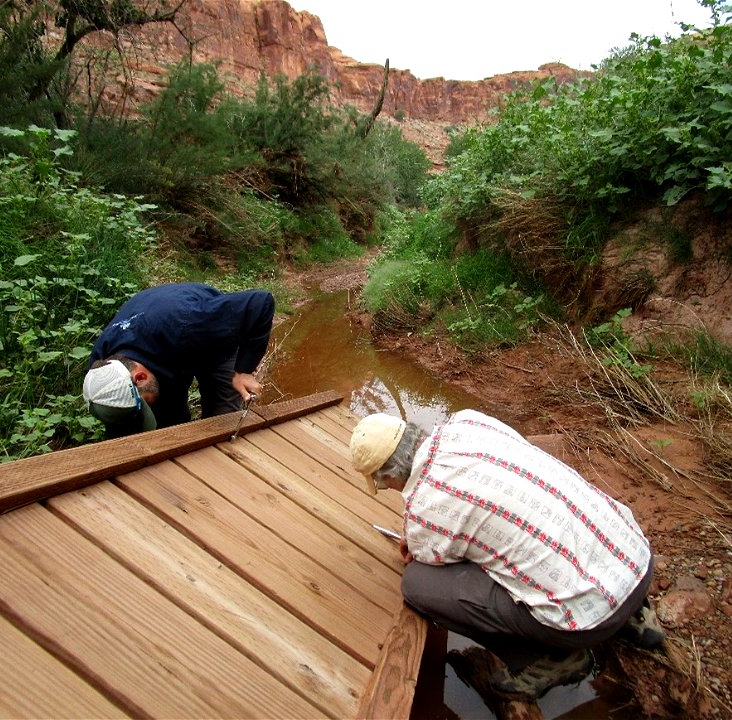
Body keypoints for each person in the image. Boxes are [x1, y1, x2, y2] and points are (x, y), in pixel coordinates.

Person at [349, 409, 664, 700]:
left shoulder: (422, 506)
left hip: (584, 625)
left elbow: (426, 558)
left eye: (384, 483)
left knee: (418, 584)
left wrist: (416, 543)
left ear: (388, 476)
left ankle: (550, 659)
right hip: (636, 559)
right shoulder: (467, 421)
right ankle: (636, 615)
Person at [82, 282, 274, 437]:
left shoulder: (190, 323)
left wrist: (244, 370)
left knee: (222, 419)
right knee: (166, 419)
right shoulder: (102, 370)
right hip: (162, 347)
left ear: (140, 377)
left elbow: (260, 303)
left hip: (204, 340)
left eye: (143, 404)